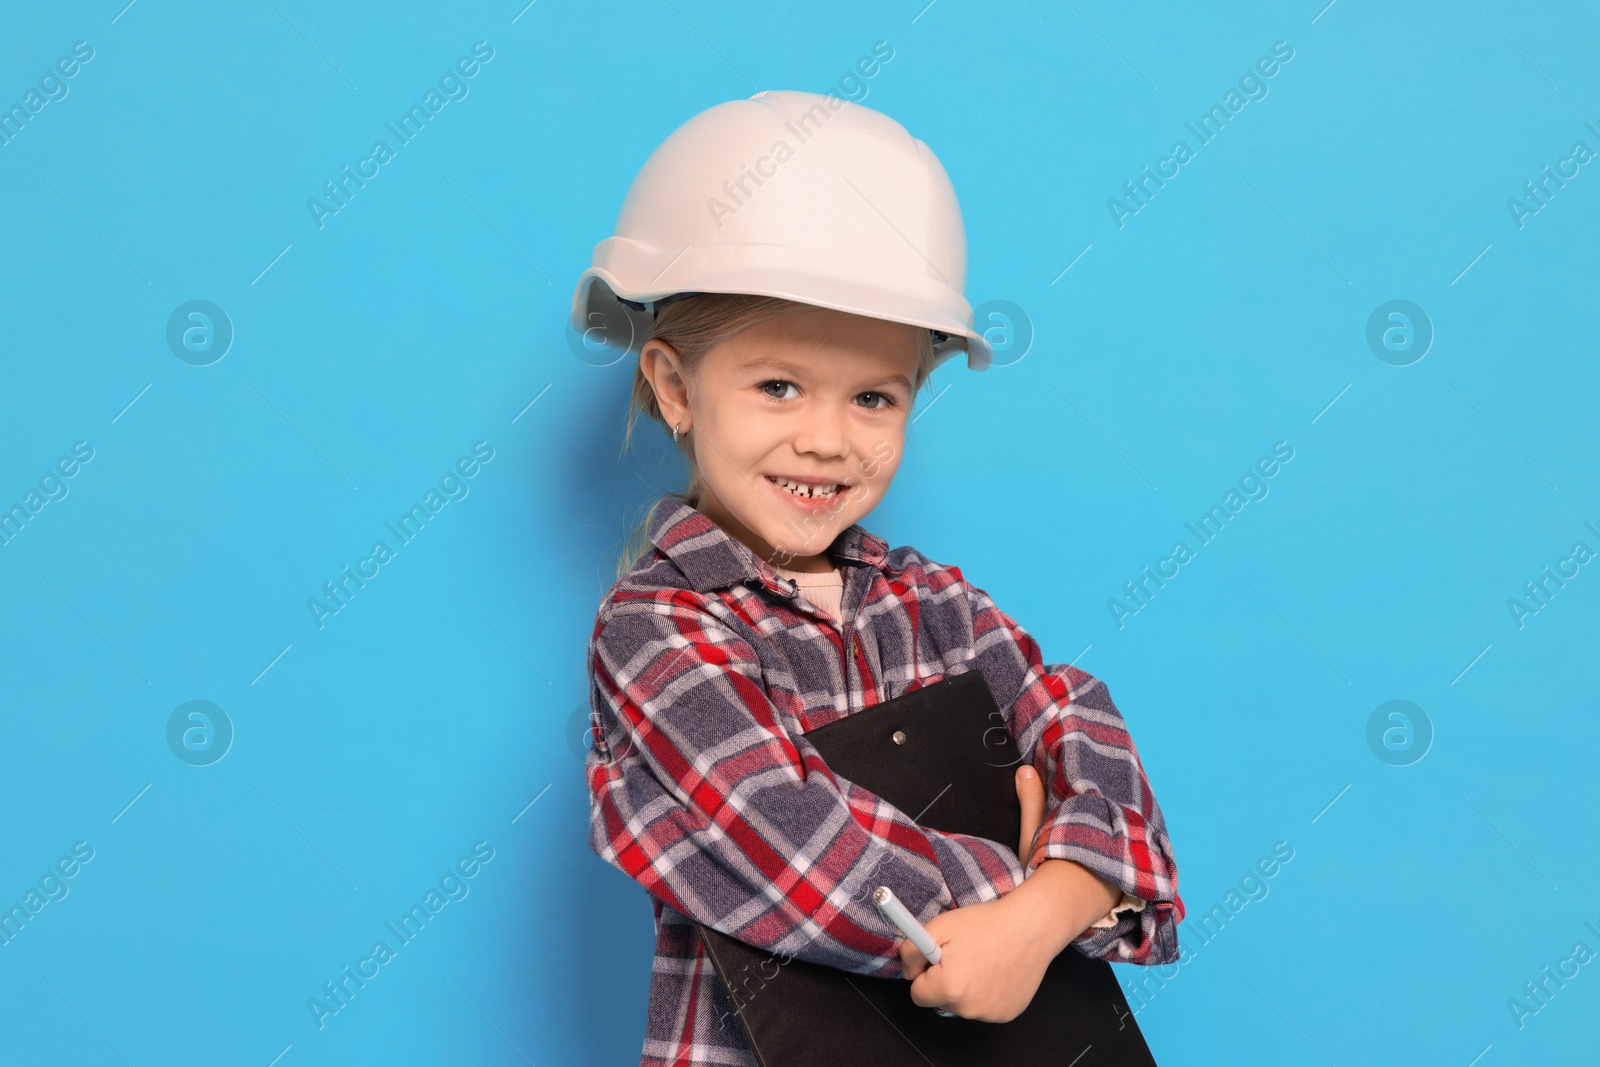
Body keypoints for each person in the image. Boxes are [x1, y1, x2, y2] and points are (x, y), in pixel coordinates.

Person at [577, 89, 1183, 1067]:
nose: (824, 438)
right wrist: (1050, 877)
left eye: (871, 396)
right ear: (675, 386)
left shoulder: (938, 604)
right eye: (778, 384)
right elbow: (800, 851)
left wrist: (1042, 916)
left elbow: (1088, 728)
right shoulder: (655, 631)